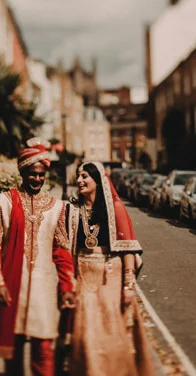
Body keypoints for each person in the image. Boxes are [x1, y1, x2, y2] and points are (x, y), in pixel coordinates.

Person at [0, 138, 76, 375]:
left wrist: (67, 286)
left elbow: (62, 249)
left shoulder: (57, 207)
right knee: (13, 355)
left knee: (44, 351)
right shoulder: (2, 202)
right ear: (23, 172)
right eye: (32, 174)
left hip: (44, 288)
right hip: (12, 286)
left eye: (41, 174)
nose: (37, 179)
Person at [61, 161, 154, 376]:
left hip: (111, 277)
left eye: (85, 176)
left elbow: (128, 248)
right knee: (85, 334)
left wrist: (129, 285)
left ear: (98, 180)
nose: (79, 180)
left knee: (113, 334)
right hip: (84, 277)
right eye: (78, 176)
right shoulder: (74, 211)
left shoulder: (115, 209)